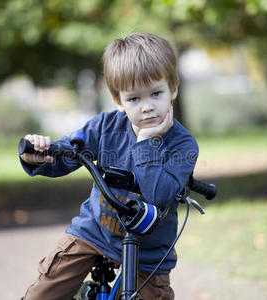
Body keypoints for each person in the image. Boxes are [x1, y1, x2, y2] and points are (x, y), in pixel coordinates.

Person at [19, 32, 198, 300]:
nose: (147, 107)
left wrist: (146, 143)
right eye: (134, 99)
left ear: (173, 88)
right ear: (119, 101)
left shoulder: (183, 146)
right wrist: (38, 155)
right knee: (44, 292)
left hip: (149, 252)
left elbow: (157, 196)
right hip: (94, 232)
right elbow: (69, 152)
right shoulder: (105, 127)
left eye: (156, 94)